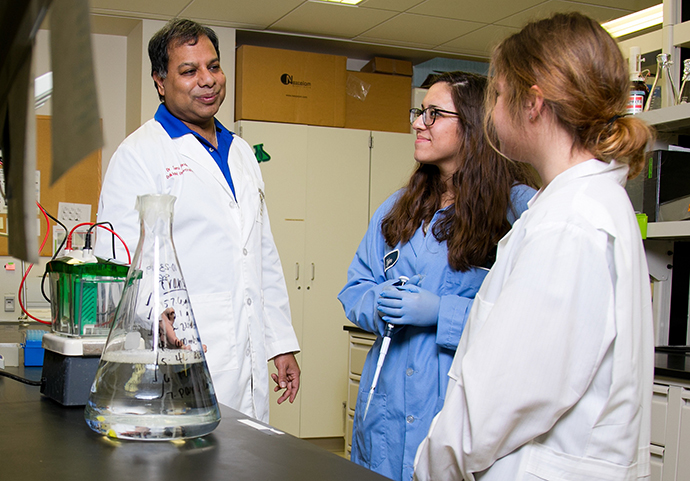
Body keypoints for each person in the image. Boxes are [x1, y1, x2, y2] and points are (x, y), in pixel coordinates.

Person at [413, 12, 656, 481]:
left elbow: (497, 404)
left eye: (499, 95)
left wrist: (433, 468)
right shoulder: (587, 203)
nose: (492, 111)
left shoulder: (568, 223)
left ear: (534, 103)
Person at [94, 18, 300, 423]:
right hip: (182, 351)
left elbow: (261, 253)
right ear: (160, 81)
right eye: (189, 71)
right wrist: (155, 319)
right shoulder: (140, 154)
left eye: (214, 66)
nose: (207, 80)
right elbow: (115, 260)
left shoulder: (241, 153)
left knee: (250, 460)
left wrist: (280, 343)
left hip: (250, 349)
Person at [338, 71, 537, 481]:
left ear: (473, 125)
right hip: (386, 408)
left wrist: (443, 312)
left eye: (433, 114)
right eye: (419, 112)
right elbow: (355, 287)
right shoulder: (399, 207)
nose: (417, 123)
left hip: (454, 402)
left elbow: (531, 318)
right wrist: (378, 303)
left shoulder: (517, 209)